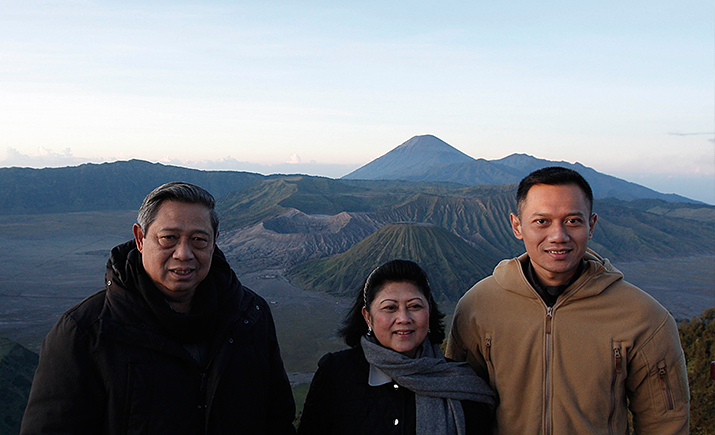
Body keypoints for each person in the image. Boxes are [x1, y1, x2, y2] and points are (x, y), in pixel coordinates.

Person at [21, 182, 296, 435]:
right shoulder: (85, 333)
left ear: (214, 241)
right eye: (169, 238)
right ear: (140, 239)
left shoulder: (250, 316)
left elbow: (277, 420)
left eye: (199, 239)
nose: (184, 253)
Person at [445, 167, 690, 434]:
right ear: (517, 225)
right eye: (542, 221)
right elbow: (460, 407)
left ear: (591, 224)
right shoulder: (478, 307)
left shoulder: (642, 316)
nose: (558, 236)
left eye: (573, 221)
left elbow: (666, 422)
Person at [298, 259, 495, 435]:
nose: (403, 318)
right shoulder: (336, 375)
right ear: (368, 317)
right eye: (390, 308)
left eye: (415, 306)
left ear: (429, 311)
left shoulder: (460, 384)